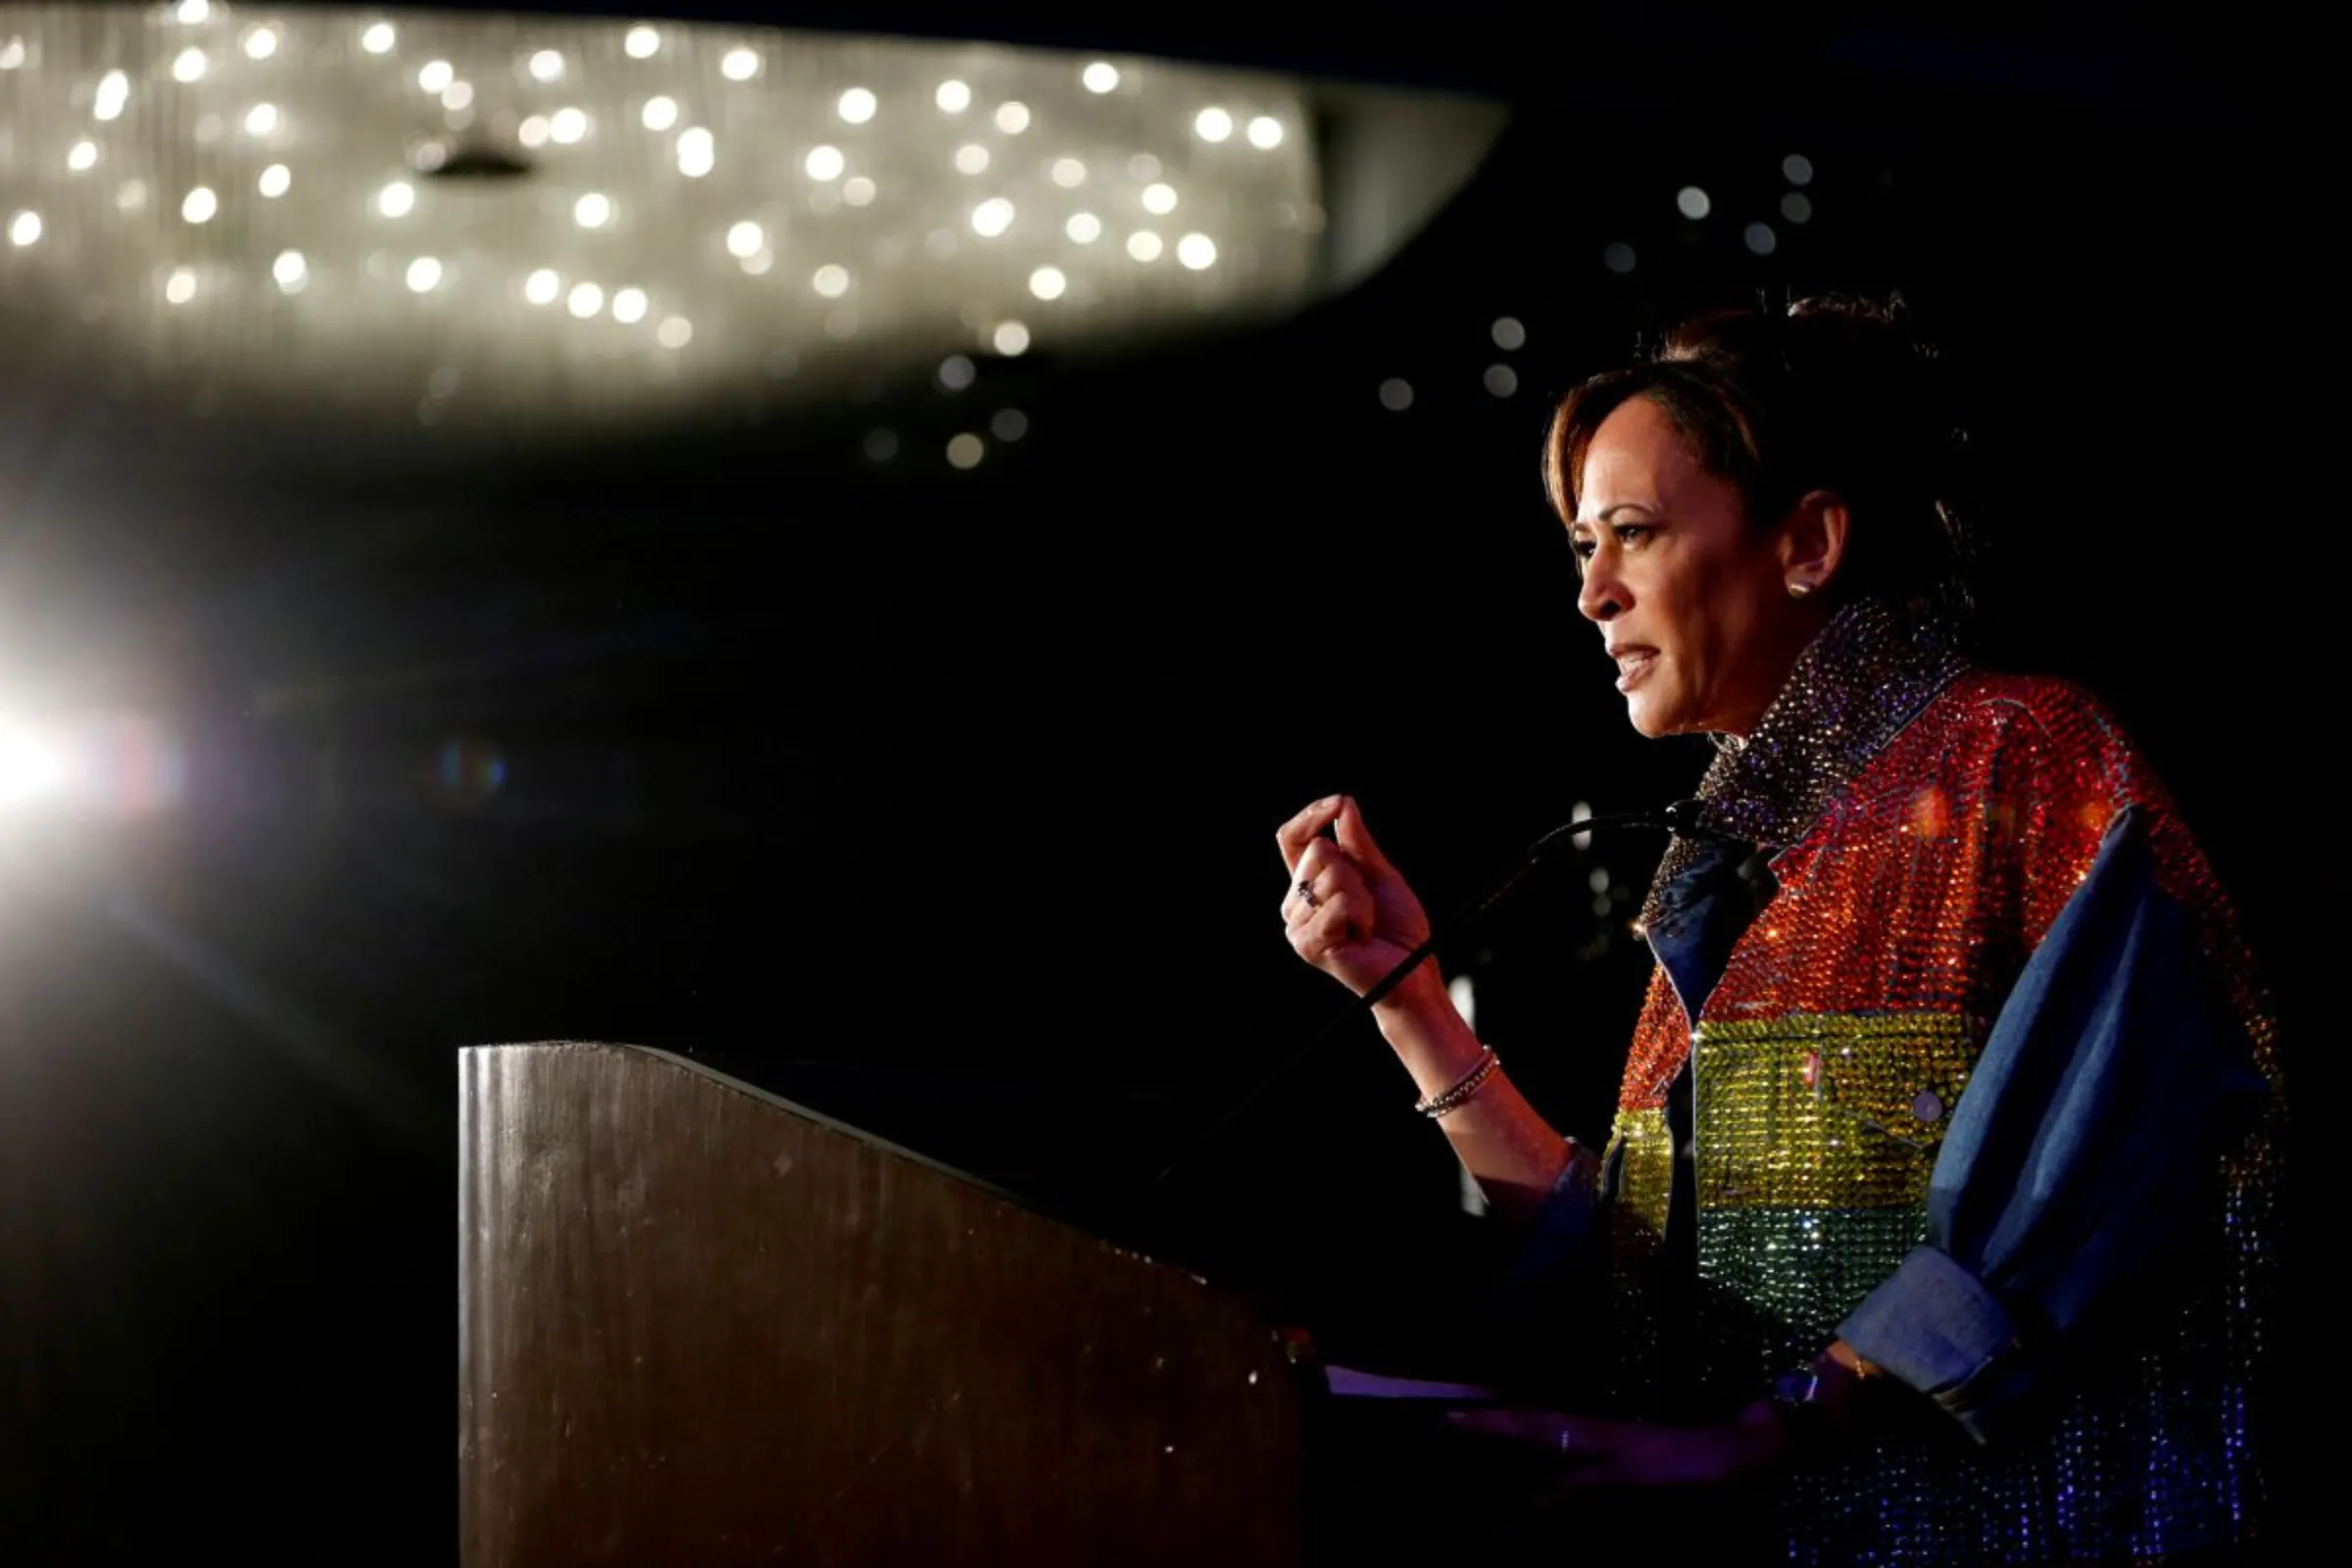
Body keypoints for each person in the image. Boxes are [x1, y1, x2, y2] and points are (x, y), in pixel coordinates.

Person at [1275, 296, 2282, 1563]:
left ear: (1805, 541)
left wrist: (1766, 1435)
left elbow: (2101, 1177)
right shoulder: (1731, 877)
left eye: (1632, 534)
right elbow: (1645, 1280)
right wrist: (1404, 1000)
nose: (1592, 593)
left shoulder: (2019, 754)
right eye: (1583, 543)